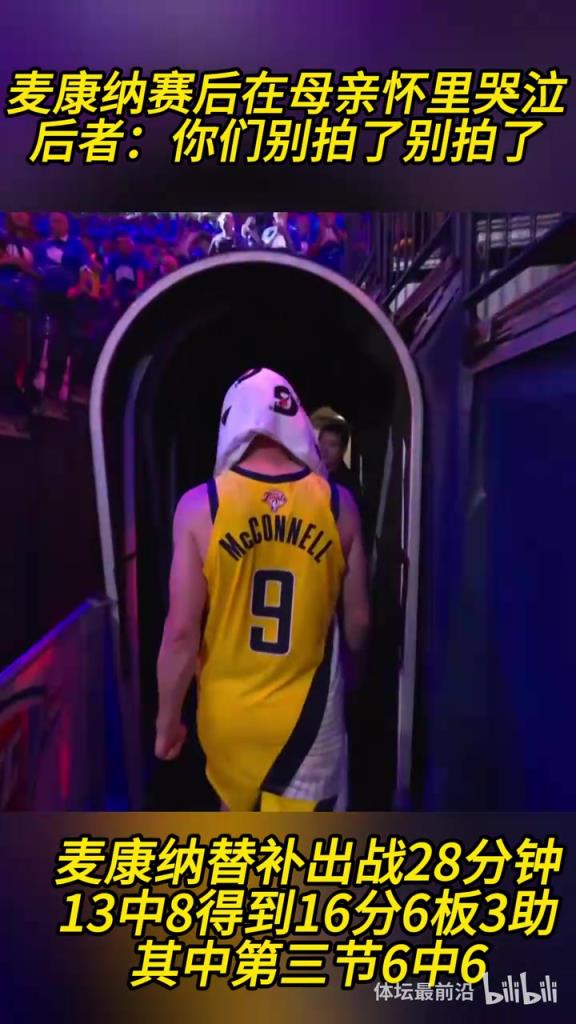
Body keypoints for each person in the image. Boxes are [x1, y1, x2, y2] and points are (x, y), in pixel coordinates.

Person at [155, 368, 370, 811]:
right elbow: (359, 620)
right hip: (310, 721)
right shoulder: (339, 505)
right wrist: (357, 676)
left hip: (229, 716)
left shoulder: (200, 506)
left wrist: (167, 720)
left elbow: (181, 632)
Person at [319, 420, 363, 510]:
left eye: (332, 445)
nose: (324, 449)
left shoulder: (348, 483)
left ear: (343, 450)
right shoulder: (308, 472)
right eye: (322, 443)